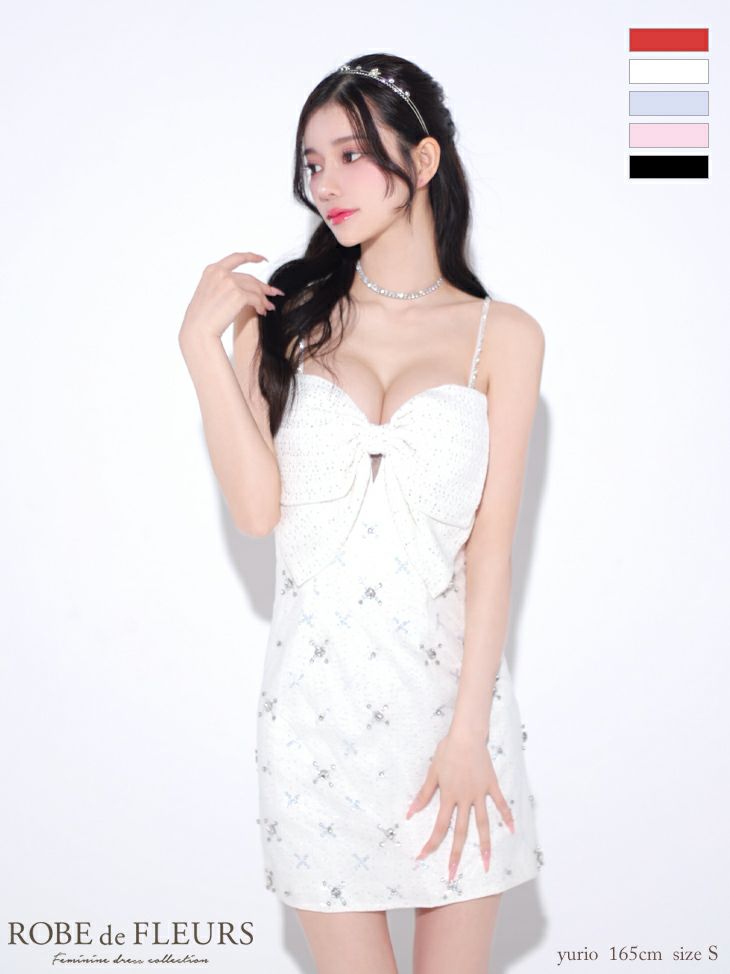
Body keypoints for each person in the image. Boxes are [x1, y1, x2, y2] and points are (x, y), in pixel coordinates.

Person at [179, 52, 545, 974]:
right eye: (312, 163)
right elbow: (256, 511)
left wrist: (468, 736)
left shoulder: (503, 336)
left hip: (452, 728)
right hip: (313, 726)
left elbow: (492, 551)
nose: (326, 184)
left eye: (350, 155)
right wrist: (199, 347)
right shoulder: (285, 322)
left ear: (421, 161)